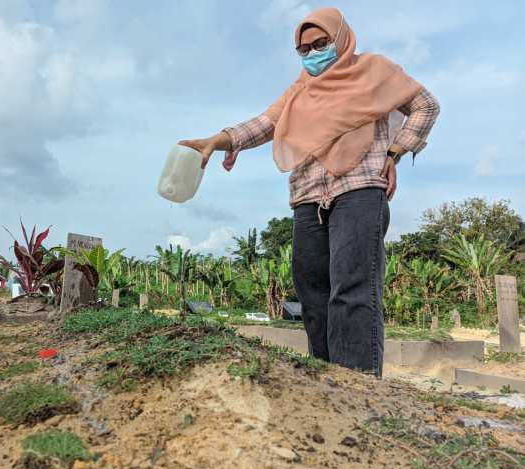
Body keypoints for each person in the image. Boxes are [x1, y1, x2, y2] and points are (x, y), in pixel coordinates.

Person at [179, 7, 439, 377]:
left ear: (341, 38)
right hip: (307, 196)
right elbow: (265, 123)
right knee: (312, 293)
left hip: (359, 187)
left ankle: (359, 383)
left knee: (352, 288)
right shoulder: (300, 91)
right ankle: (326, 380)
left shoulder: (374, 71)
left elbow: (425, 105)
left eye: (321, 43)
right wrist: (219, 140)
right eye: (304, 49)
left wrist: (396, 152)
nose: (314, 53)